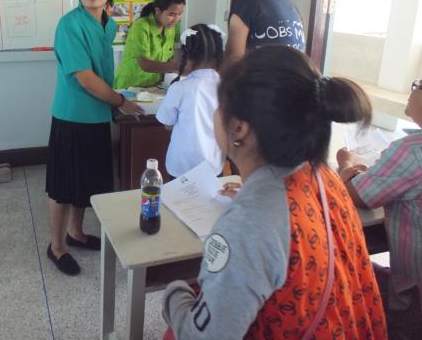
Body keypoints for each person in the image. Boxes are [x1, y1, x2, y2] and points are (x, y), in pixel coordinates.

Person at [162, 46, 387, 339]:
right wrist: (253, 200)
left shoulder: (249, 225)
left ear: (238, 128)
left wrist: (174, 293)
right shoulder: (324, 176)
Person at [46, 0, 143, 276]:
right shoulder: (69, 25)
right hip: (73, 117)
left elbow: (103, 71)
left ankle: (76, 233)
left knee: (85, 183)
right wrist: (120, 101)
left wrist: (113, 103)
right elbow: (85, 78)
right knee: (63, 187)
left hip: (98, 116)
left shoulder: (108, 24)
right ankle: (56, 247)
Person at [337, 78, 422, 339]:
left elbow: (359, 196)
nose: (413, 89)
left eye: (419, 85)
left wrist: (345, 164)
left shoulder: (412, 150)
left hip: (413, 294)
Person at [155, 24, 225, 178]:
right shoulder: (227, 87)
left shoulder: (179, 88)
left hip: (181, 165)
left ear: (187, 56)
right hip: (213, 164)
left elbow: (167, 124)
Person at [223, 0, 305, 69]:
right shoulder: (288, 3)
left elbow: (233, 60)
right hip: (296, 75)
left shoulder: (246, 4)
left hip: (266, 77)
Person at [114, 0, 185, 89]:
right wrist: (178, 66)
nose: (176, 19)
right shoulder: (141, 26)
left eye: (180, 14)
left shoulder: (170, 29)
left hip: (153, 86)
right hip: (130, 86)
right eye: (172, 15)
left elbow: (167, 60)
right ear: (158, 10)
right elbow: (145, 64)